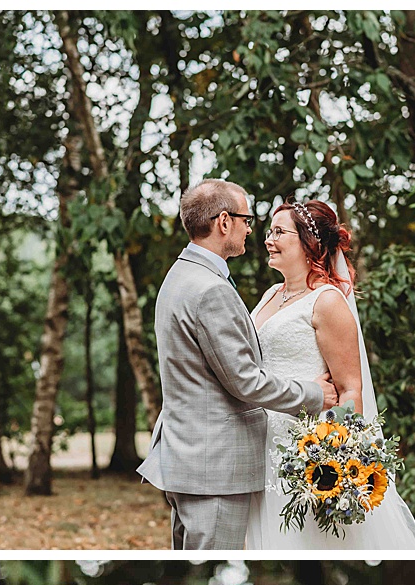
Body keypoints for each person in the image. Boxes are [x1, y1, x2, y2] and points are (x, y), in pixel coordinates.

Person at [138, 177, 335, 552]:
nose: (252, 230)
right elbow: (245, 381)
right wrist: (314, 394)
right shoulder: (210, 289)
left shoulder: (179, 275)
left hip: (189, 457)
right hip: (214, 468)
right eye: (247, 219)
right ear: (224, 222)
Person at [245, 197, 415, 550]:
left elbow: (351, 389)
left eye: (279, 232)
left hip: (303, 453)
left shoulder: (327, 301)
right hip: (261, 446)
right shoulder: (271, 294)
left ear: (309, 244)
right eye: (269, 230)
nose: (268, 239)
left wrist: (336, 459)